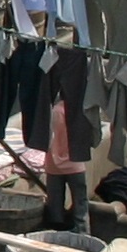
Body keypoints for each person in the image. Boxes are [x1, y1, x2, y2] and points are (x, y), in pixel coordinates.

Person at [43, 98, 87, 235]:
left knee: (55, 209)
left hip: (53, 165)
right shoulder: (79, 108)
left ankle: (56, 237)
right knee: (81, 206)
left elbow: (46, 136)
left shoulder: (52, 111)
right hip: (75, 165)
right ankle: (83, 235)